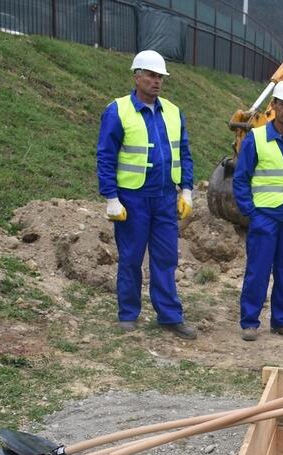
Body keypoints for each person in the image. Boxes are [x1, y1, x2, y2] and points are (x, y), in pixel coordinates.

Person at [97, 50, 196, 338]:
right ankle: (128, 313)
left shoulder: (174, 112)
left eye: (160, 77)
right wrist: (111, 197)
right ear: (136, 76)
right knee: (130, 257)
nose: (157, 81)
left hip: (165, 197)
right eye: (151, 75)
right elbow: (106, 156)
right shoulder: (118, 111)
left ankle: (169, 315)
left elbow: (184, 154)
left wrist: (187, 190)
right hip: (133, 198)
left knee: (166, 258)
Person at [233, 79, 283, 341]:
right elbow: (241, 179)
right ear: (274, 106)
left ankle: (281, 320)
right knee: (258, 271)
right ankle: (250, 322)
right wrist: (251, 213)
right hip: (265, 218)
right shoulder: (256, 139)